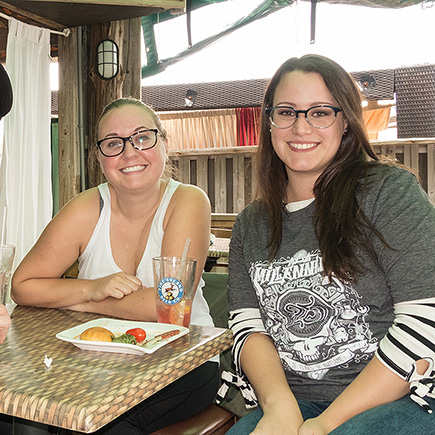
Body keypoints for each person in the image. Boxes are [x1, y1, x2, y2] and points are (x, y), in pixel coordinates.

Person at [221, 55, 435, 435]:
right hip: (292, 399)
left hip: (398, 395)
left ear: (346, 121)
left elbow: (425, 319)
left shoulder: (388, 192)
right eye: (286, 112)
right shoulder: (250, 224)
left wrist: (325, 425)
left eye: (320, 112)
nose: (300, 127)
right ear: (268, 121)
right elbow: (248, 327)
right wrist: (280, 409)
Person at [11, 97, 219, 435]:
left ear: (164, 145)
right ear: (100, 158)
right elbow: (23, 285)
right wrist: (91, 286)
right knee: (27, 421)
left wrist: (83, 300)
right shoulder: (86, 207)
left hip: (183, 361)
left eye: (142, 137)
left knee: (102, 427)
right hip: (95, 362)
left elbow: (169, 307)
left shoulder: (188, 201)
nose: (129, 152)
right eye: (113, 143)